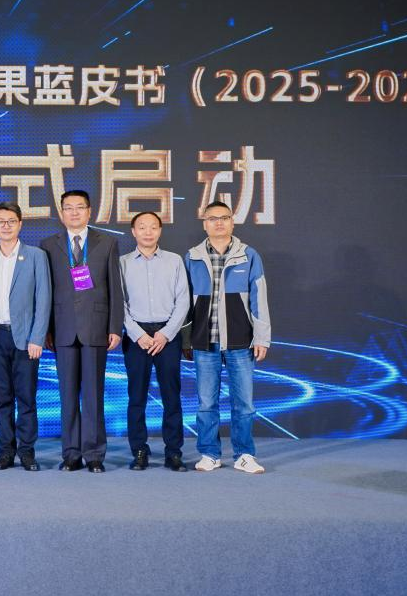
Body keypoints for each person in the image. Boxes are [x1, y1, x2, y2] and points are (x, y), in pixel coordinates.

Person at [183, 201, 271, 474]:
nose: (219, 222)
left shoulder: (249, 256)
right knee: (206, 404)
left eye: (224, 217)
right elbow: (184, 301)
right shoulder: (192, 257)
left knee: (244, 404)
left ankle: (244, 454)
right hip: (204, 342)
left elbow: (259, 299)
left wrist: (262, 337)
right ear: (205, 224)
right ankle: (209, 453)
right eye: (212, 218)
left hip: (240, 340)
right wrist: (186, 339)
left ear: (232, 222)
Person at [39, 190, 122, 473]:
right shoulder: (48, 245)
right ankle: (71, 453)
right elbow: (46, 291)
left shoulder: (107, 242)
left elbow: (115, 288)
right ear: (61, 212)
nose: (74, 212)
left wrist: (114, 326)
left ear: (89, 211)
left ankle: (94, 453)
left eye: (79, 207)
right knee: (67, 395)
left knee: (93, 395)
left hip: (96, 327)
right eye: (68, 208)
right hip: (62, 329)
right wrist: (46, 329)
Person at [0, 202, 51, 471]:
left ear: (20, 224)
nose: (6, 226)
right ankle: (6, 451)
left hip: (25, 338)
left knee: (26, 398)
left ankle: (27, 452)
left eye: (11, 221)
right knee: (2, 398)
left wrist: (37, 338)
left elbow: (43, 299)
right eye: (1, 221)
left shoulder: (35, 256)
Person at [119, 211, 190, 472]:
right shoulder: (122, 263)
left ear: (160, 231)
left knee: (172, 396)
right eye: (142, 227)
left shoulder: (174, 261)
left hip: (167, 335)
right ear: (133, 231)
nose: (147, 232)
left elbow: (183, 300)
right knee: (136, 397)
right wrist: (137, 334)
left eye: (153, 227)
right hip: (136, 336)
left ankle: (174, 452)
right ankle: (139, 450)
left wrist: (166, 333)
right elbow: (119, 303)